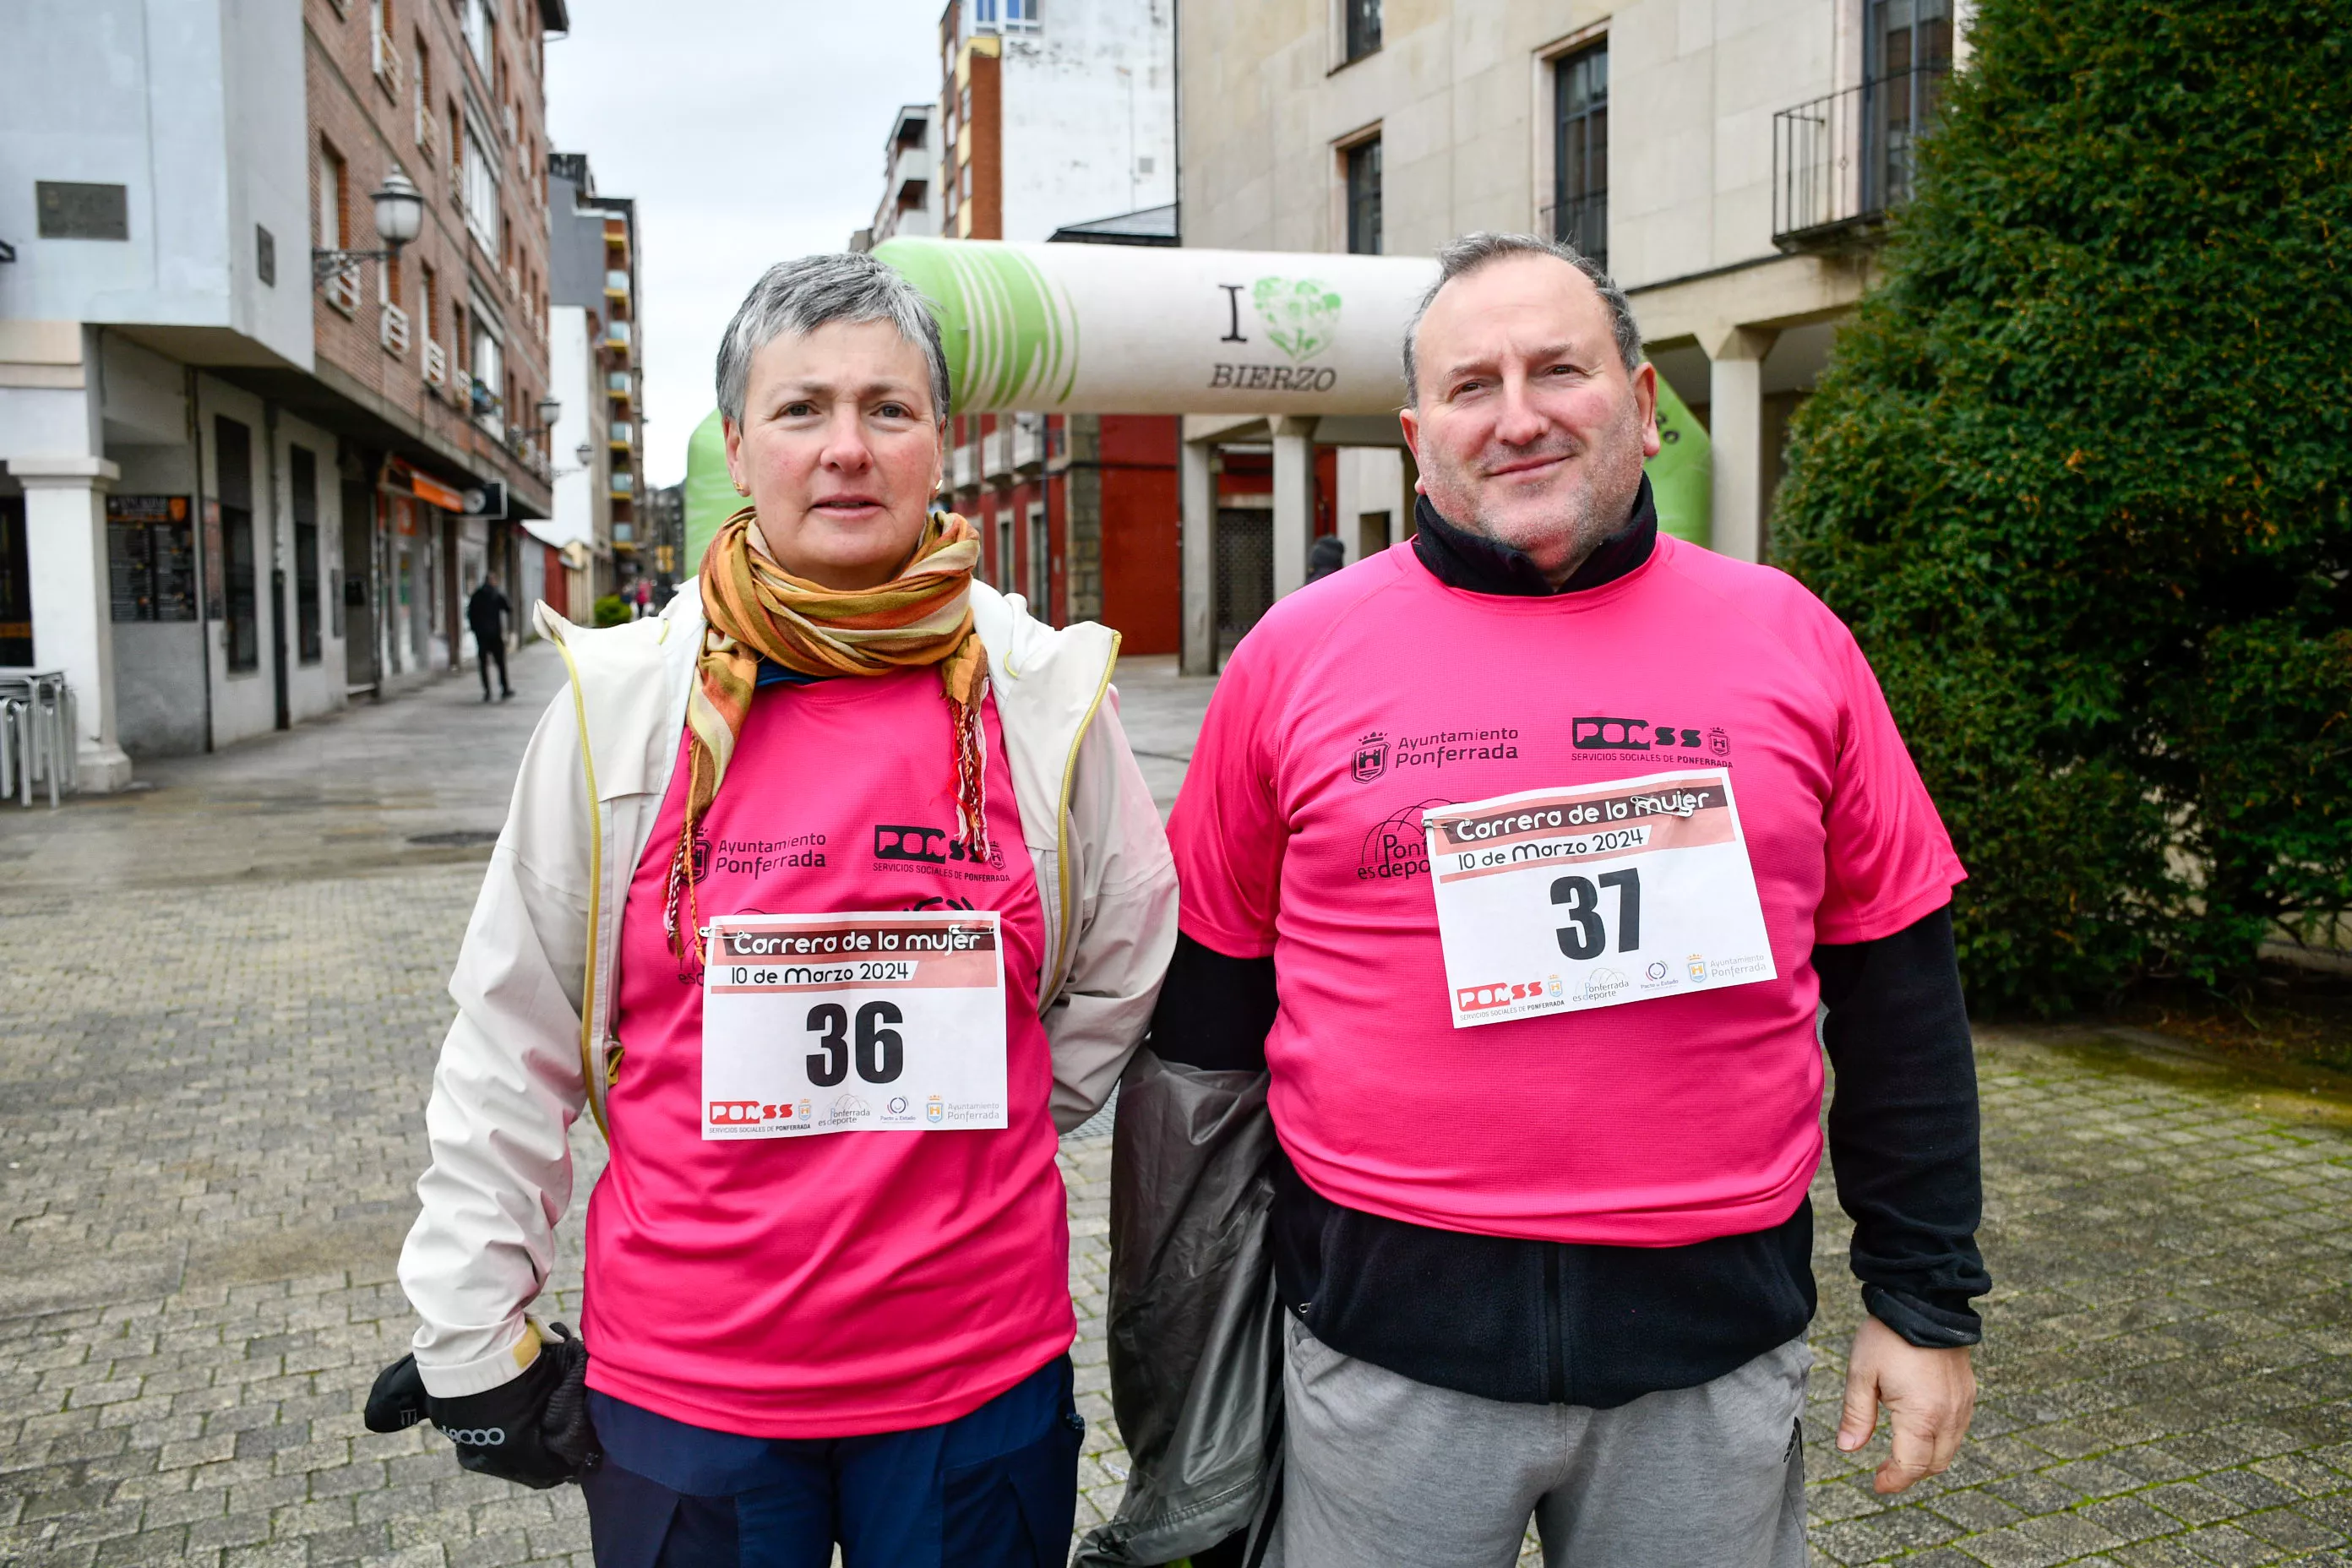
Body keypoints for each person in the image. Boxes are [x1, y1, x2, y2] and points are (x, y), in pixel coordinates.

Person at [1150, 231, 1987, 1567]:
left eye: (1560, 370)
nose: (1520, 415)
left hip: (1708, 1360)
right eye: (1473, 386)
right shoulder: (1291, 659)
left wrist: (1925, 1301)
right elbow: (1203, 1025)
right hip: (1382, 1355)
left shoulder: (1793, 639)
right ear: (1421, 436)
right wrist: (1184, 1326)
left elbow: (1901, 992)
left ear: (1647, 407)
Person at [367, 252, 1179, 1567]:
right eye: (802, 411)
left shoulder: (1044, 697)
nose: (846, 450)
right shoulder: (617, 706)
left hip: (973, 1384)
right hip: (692, 1400)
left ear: (941, 446)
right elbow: (510, 1041)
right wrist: (470, 1330)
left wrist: (974, 1116)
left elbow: (1122, 974)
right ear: (740, 448)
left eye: (888, 410)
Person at [468, 571, 514, 701]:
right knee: (500, 663)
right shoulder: (496, 594)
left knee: (483, 665)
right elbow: (509, 608)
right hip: (494, 635)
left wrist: (475, 630)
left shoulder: (476, 595)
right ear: (492, 581)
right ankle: (504, 689)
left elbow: (470, 614)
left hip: (482, 635)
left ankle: (487, 691)